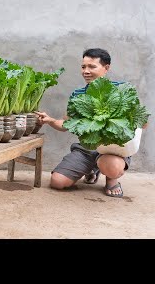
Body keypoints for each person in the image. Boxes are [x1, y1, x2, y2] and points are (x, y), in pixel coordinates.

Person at [35, 48, 148, 198]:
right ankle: (92, 170)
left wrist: (125, 120)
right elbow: (67, 124)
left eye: (92, 67)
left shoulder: (122, 89)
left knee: (111, 166)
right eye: (83, 67)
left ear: (106, 68)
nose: (86, 71)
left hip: (113, 148)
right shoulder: (78, 95)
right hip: (87, 147)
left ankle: (112, 181)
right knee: (57, 182)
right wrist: (50, 121)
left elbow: (143, 123)